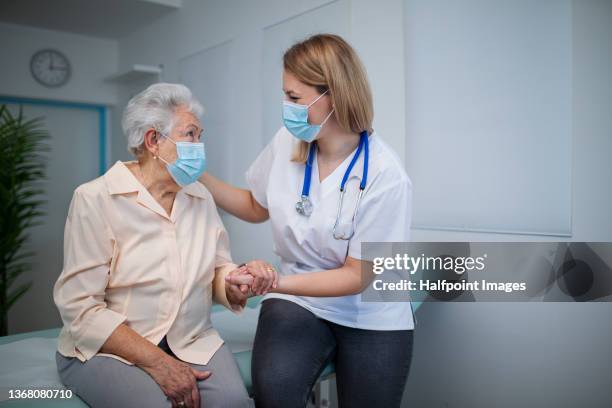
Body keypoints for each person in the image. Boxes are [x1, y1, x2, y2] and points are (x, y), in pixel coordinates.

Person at [202, 34, 415, 408]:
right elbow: (256, 205)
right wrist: (198, 178)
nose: (286, 107)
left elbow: (356, 276)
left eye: (295, 98)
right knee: (275, 390)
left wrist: (275, 281)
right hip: (300, 301)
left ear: (333, 94)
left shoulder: (386, 175)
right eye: (285, 95)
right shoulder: (287, 142)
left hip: (371, 310)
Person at [53, 83, 271, 408]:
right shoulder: (95, 199)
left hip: (190, 339)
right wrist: (159, 362)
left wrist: (236, 284)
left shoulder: (200, 196)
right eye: (191, 135)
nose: (200, 145)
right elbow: (81, 309)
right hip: (110, 348)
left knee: (234, 403)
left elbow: (217, 269)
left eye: (200, 135)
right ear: (153, 140)